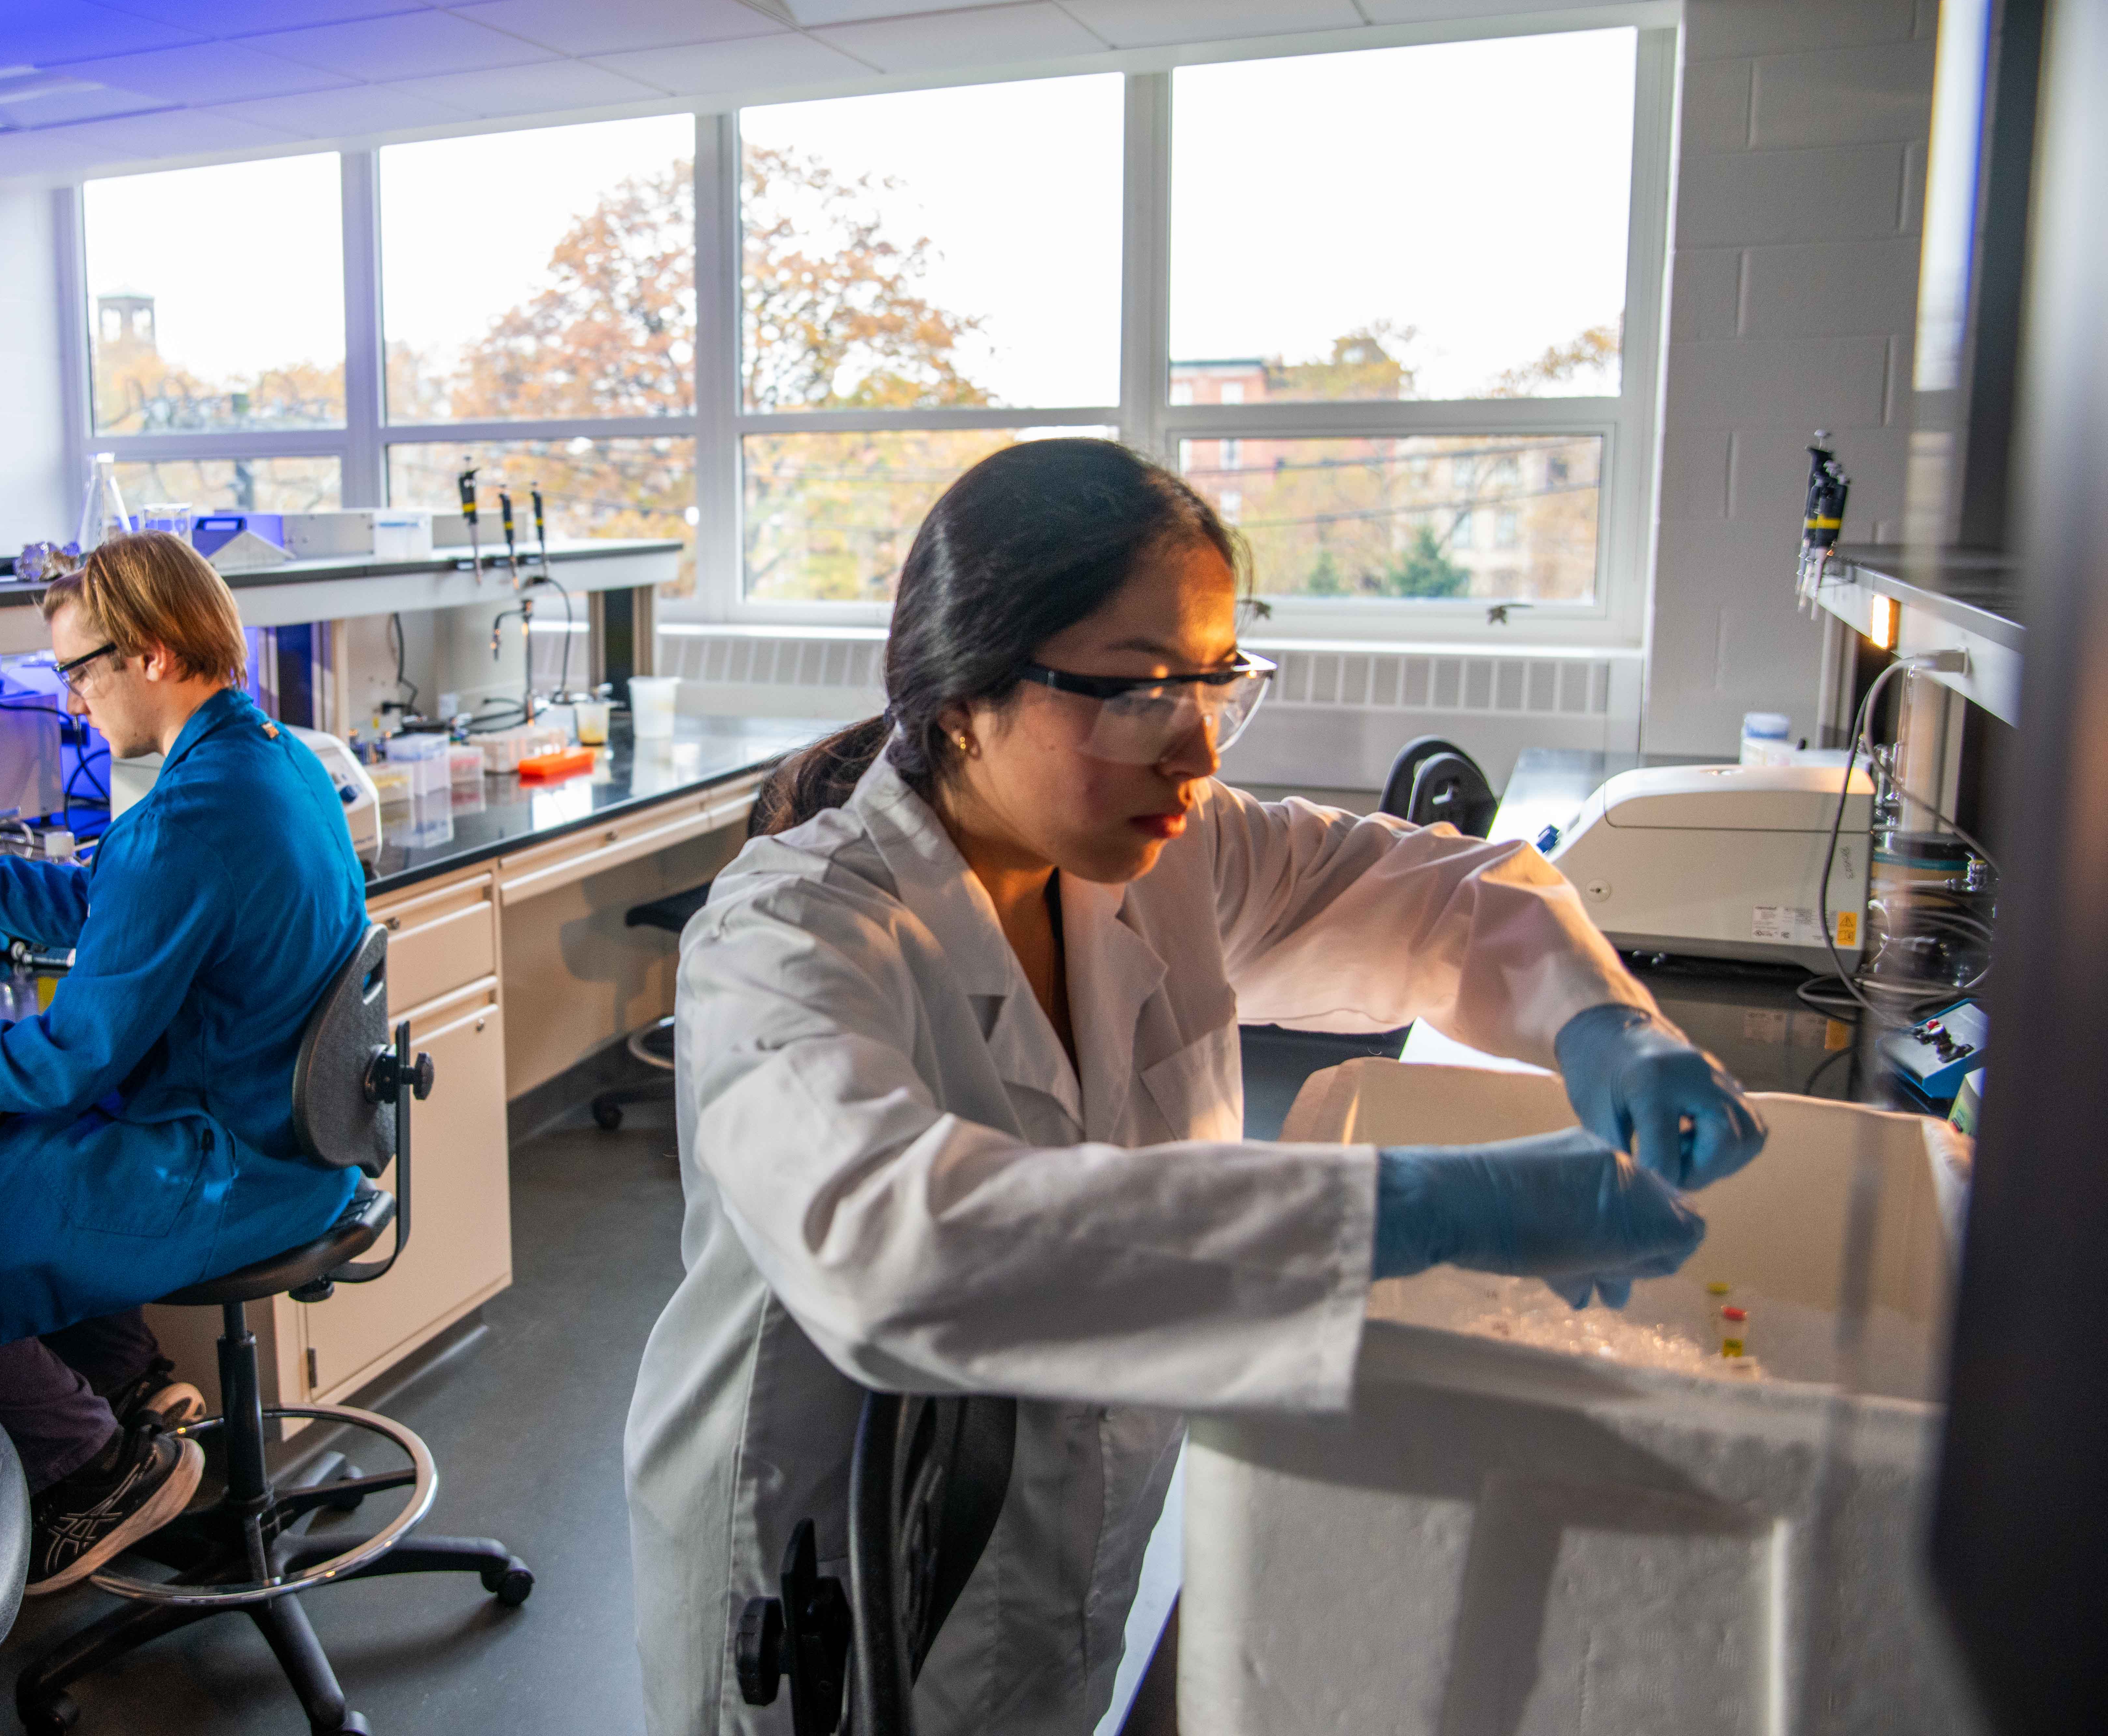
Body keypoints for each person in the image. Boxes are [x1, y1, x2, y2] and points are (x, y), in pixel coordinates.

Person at [625, 440, 1762, 1733]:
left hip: (1062, 1551)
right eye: (1137, 691)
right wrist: (1416, 1211)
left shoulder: (1172, 855)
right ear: (958, 700)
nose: (1197, 749)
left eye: (1219, 680)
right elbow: (899, 1248)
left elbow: (1443, 896)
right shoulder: (789, 936)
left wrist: (1603, 1025)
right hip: (822, 1586)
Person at [0, 532, 369, 1595]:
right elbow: (113, 907)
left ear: (149, 652)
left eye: (77, 671)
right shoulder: (272, 760)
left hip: (222, 1168)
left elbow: (62, 1065)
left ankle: (95, 1468)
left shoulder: (187, 816)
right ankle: (133, 1395)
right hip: (293, 1149)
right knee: (12, 1167)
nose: (71, 700)